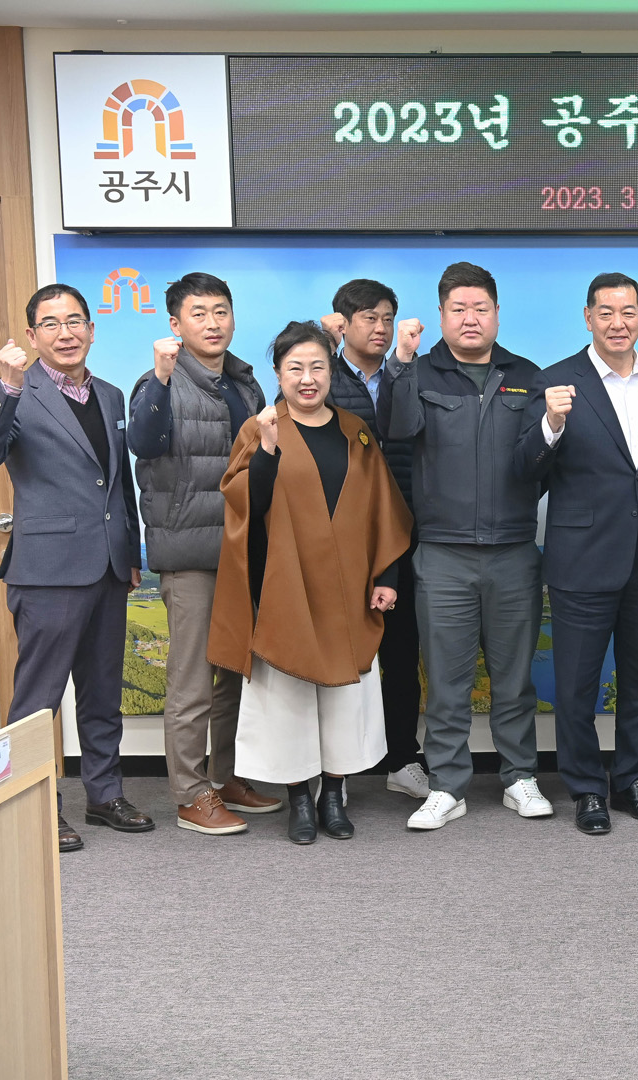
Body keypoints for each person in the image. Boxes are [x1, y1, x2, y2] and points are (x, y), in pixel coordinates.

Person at [208, 321, 411, 844]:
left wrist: (386, 575)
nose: (307, 378)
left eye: (318, 366)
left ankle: (334, 795)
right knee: (289, 697)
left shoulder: (355, 431)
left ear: (331, 372)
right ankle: (299, 797)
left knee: (346, 698)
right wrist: (267, 452)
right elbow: (245, 508)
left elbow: (383, 508)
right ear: (278, 373)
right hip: (286, 585)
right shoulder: (261, 427)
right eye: (295, 368)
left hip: (348, 586)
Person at [515, 272, 638, 835]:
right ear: (588, 317)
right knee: (576, 685)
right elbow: (525, 469)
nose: (618, 323)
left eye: (628, 312)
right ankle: (587, 788)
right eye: (606, 312)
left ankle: (634, 779)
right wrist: (552, 422)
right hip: (582, 556)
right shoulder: (554, 380)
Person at [387, 262, 547, 831]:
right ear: (441, 316)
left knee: (514, 678)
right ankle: (447, 785)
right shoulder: (418, 372)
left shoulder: (527, 376)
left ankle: (519, 777)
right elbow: (395, 428)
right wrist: (400, 362)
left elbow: (540, 463)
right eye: (458, 309)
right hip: (443, 552)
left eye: (480, 308)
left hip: (513, 551)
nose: (470, 318)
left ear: (497, 313)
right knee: (447, 681)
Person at [0, 284, 149, 852]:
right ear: (32, 336)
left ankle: (105, 795)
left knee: (103, 692)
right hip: (47, 569)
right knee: (38, 698)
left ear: (91, 329)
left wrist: (130, 553)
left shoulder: (109, 394)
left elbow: (118, 483)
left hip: (108, 566)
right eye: (51, 324)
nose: (66, 333)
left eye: (75, 321)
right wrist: (6, 389)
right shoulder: (16, 391)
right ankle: (33, 805)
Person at [127, 272, 278, 835]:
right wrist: (162, 377)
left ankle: (226, 777)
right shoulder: (157, 382)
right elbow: (142, 442)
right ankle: (191, 795)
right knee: (191, 680)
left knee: (235, 676)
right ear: (175, 324)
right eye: (199, 313)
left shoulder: (244, 382)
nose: (212, 323)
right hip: (190, 552)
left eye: (221, 311)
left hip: (241, 551)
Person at [320, 278, 427, 801]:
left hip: (404, 531)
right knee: (342, 657)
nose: (380, 327)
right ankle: (334, 771)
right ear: (343, 324)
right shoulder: (320, 374)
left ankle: (403, 758)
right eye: (368, 317)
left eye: (387, 317)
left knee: (403, 655)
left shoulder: (411, 373)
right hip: (341, 536)